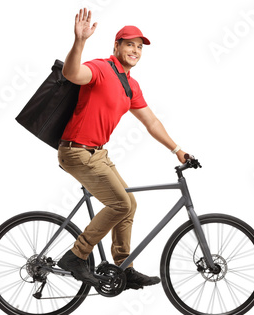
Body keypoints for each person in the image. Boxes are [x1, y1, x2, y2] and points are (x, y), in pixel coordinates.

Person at [57, 8, 189, 289]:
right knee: (119, 203)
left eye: (139, 47)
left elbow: (150, 121)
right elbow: (71, 73)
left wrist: (177, 149)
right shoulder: (102, 68)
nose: (135, 50)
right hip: (76, 151)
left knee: (129, 205)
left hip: (97, 153)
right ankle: (76, 256)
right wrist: (79, 41)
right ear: (116, 45)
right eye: (129, 44)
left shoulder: (131, 86)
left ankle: (123, 268)